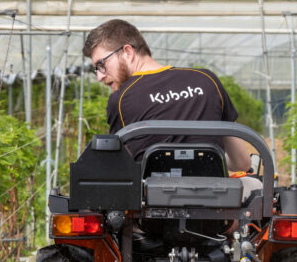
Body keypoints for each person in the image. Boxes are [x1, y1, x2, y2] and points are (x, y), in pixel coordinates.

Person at [83, 19, 252, 172]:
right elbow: (242, 163)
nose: (100, 76)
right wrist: (214, 160)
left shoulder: (121, 100)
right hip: (214, 201)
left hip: (151, 203)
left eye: (101, 64)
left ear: (128, 52)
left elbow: (120, 170)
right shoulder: (207, 80)